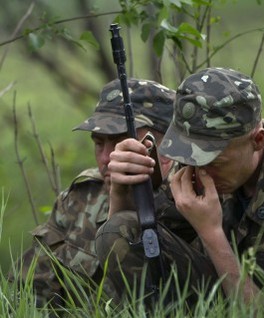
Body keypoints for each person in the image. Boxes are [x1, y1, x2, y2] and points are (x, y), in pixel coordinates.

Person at [95, 67, 264, 304]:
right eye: (189, 155)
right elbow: (135, 242)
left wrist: (211, 233)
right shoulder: (197, 161)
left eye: (211, 159)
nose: (200, 171)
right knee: (121, 230)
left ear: (258, 140)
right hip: (227, 288)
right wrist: (121, 191)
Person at [9, 78, 176, 308]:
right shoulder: (82, 198)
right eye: (99, 144)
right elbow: (30, 294)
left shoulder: (189, 203)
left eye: (120, 143)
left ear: (165, 146)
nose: (107, 158)